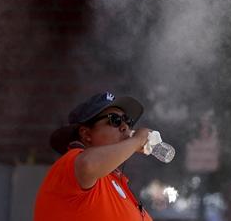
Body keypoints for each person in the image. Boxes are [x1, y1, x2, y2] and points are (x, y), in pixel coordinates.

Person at [34, 91, 154, 221]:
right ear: (86, 134)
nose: (125, 127)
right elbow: (88, 165)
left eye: (128, 121)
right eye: (115, 120)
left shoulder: (111, 179)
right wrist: (136, 141)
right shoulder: (73, 161)